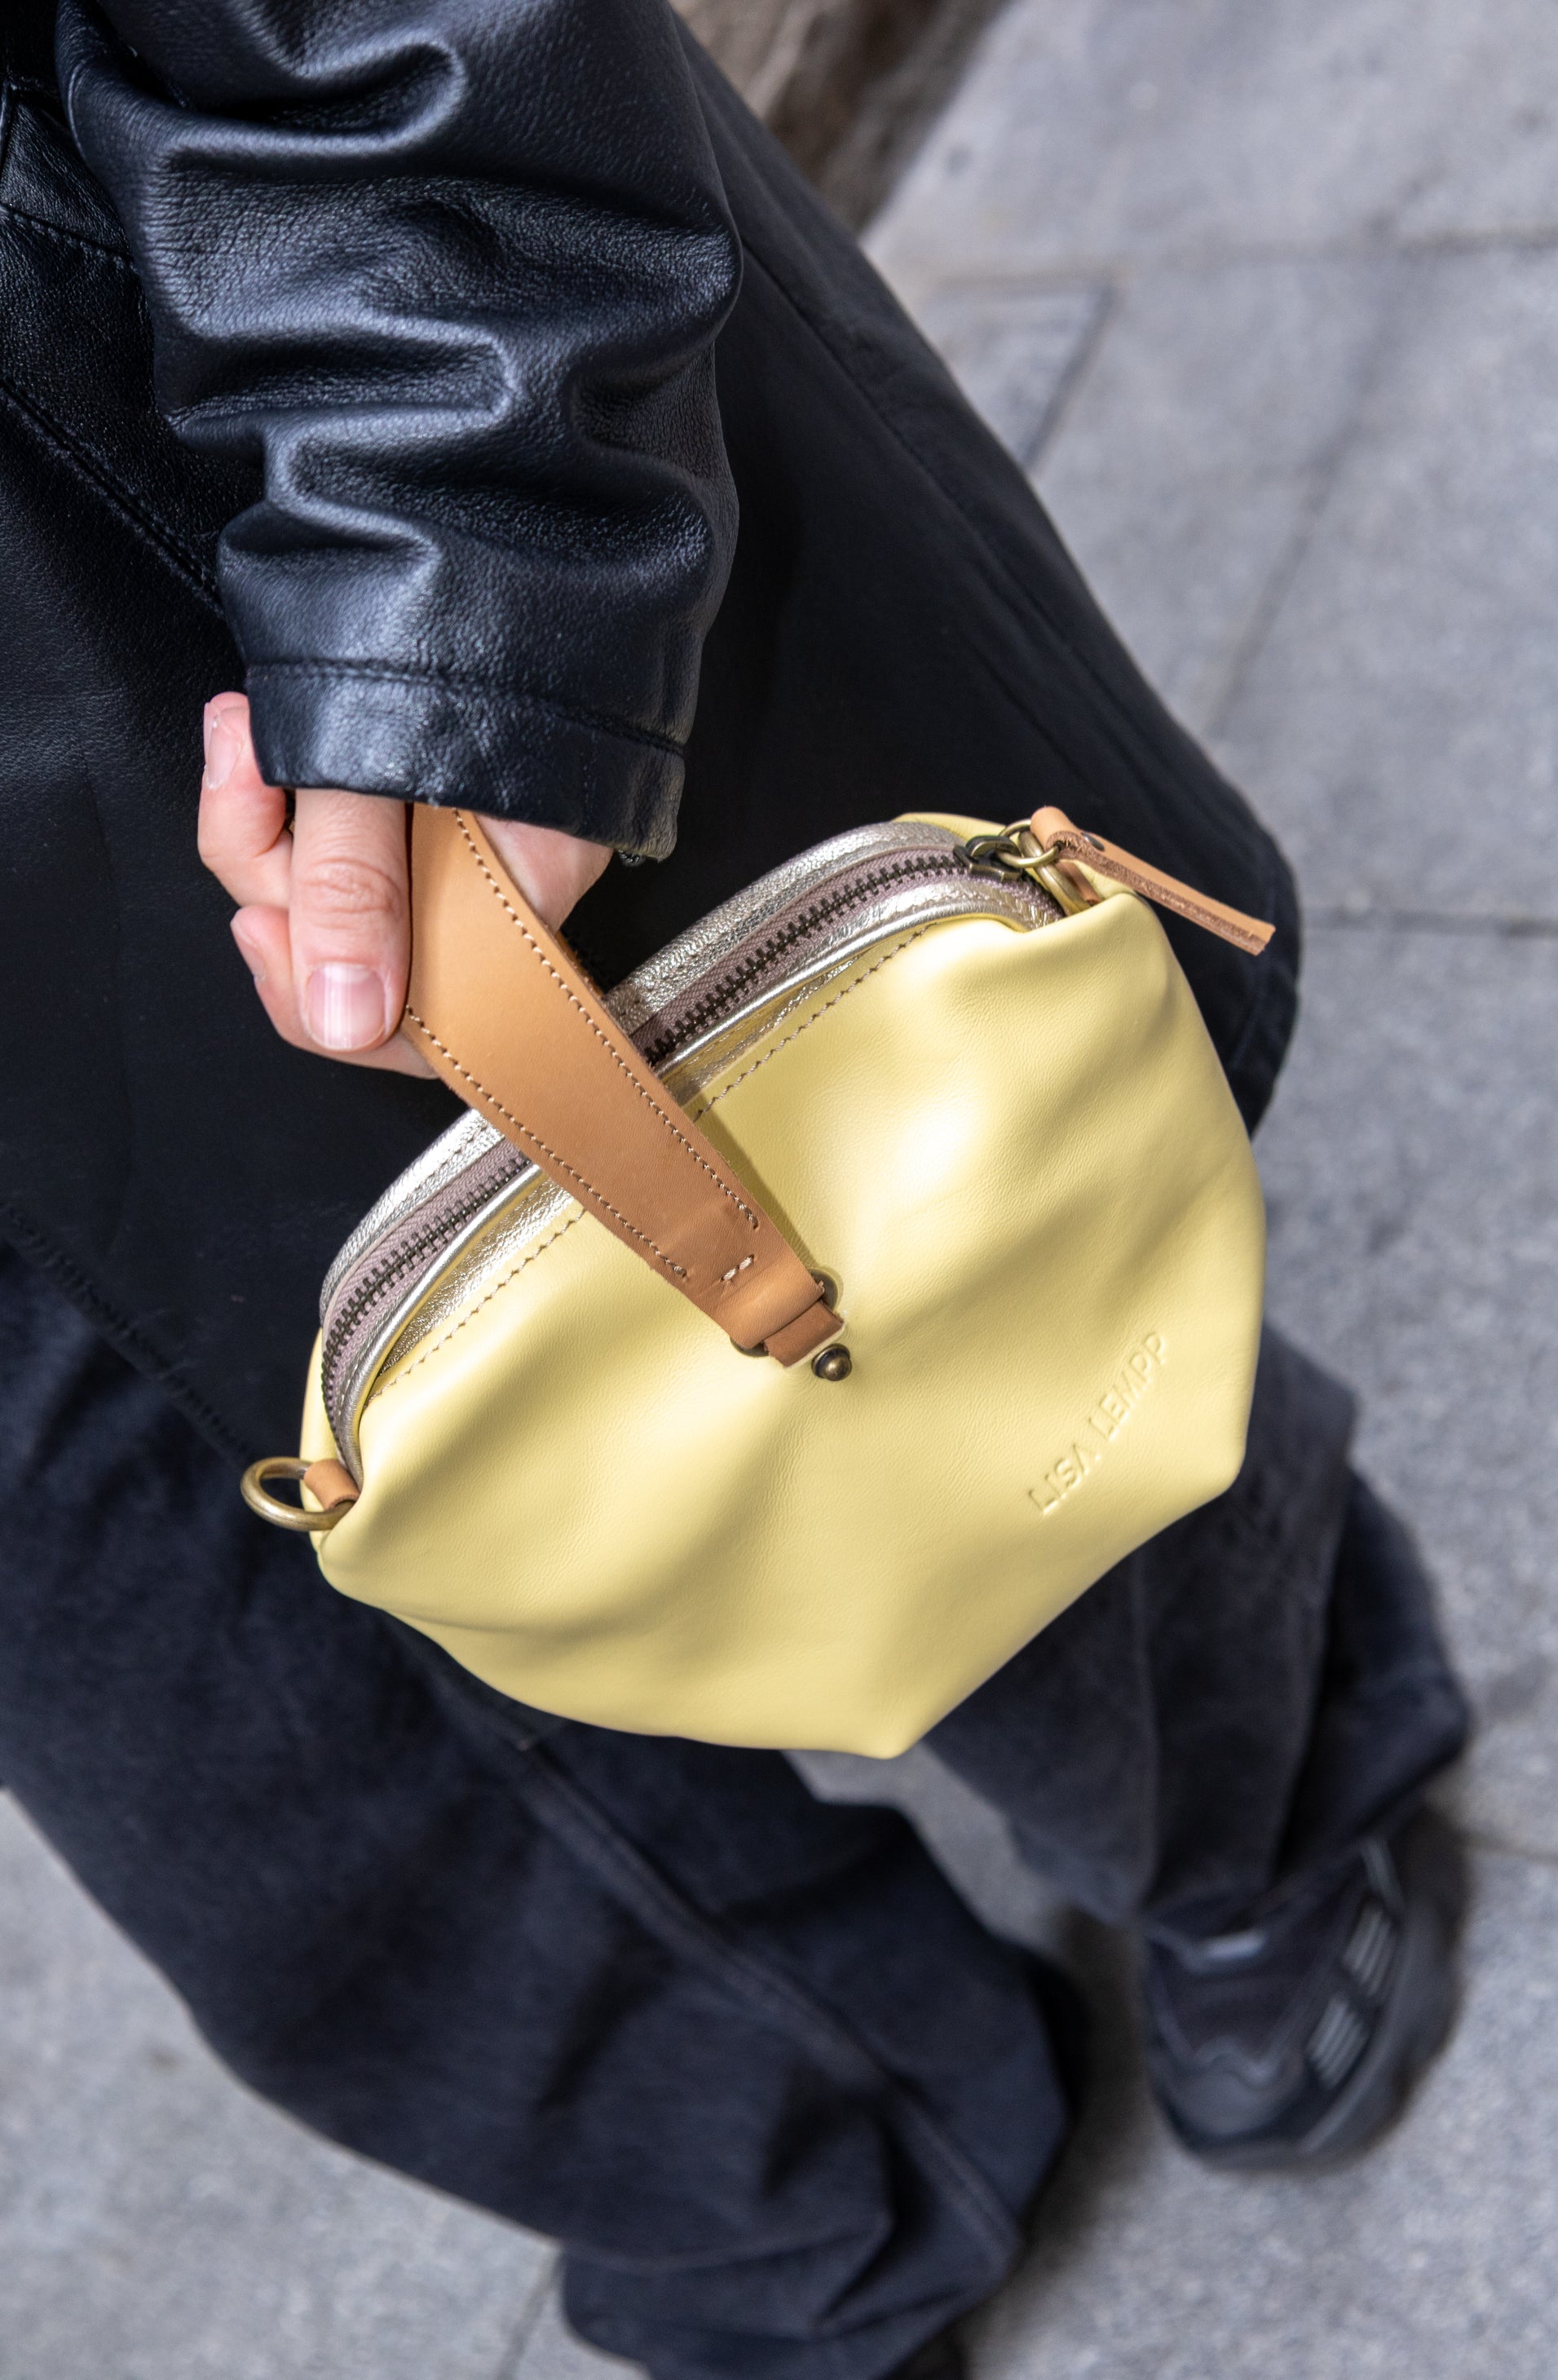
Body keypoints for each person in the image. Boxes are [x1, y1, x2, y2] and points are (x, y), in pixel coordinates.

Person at [0, 4, 1469, 2374]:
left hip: (193, 569)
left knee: (913, 1310)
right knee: (259, 1792)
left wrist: (466, 548)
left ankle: (1260, 1789)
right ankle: (792, 2179)